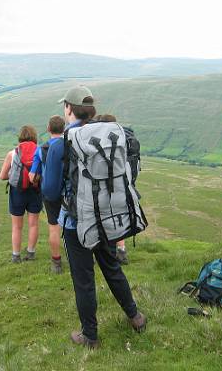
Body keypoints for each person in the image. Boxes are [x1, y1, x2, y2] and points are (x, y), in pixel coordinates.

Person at [43, 85, 146, 349]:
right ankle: (135, 317)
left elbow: (51, 191)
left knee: (84, 279)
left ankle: (90, 335)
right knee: (111, 266)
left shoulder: (62, 142)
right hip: (106, 215)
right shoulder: (109, 134)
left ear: (69, 108)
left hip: (76, 223)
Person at [0, 125, 43, 263]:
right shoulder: (40, 151)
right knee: (33, 224)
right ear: (34, 137)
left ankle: (16, 256)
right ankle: (30, 253)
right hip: (35, 190)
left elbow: (2, 176)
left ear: (20, 137)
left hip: (17, 191)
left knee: (17, 226)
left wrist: (16, 177)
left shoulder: (12, 153)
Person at [28, 115, 66, 274]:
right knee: (77, 224)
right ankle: (84, 257)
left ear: (48, 129)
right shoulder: (69, 145)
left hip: (50, 192)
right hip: (70, 190)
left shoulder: (41, 149)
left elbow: (31, 176)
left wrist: (38, 180)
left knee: (54, 227)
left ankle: (56, 263)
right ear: (63, 129)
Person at [92, 114, 130, 265]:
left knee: (103, 218)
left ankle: (102, 252)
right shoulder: (123, 139)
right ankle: (121, 251)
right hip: (123, 186)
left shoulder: (103, 142)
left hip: (106, 186)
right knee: (118, 217)